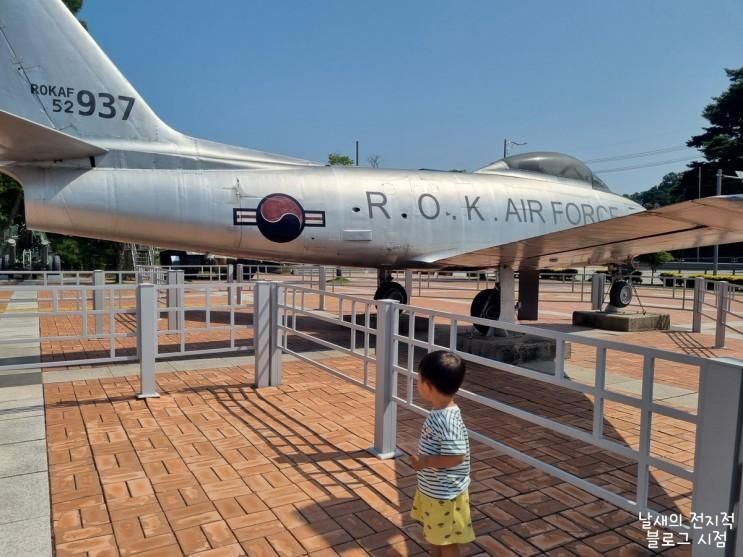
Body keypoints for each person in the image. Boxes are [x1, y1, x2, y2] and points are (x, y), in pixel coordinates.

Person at [410, 350, 475, 556]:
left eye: (418, 380)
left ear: (428, 386)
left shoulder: (447, 420)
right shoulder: (440, 413)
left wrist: (426, 461)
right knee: (436, 535)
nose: (417, 383)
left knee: (447, 541)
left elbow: (457, 456)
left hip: (446, 495)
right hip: (435, 491)